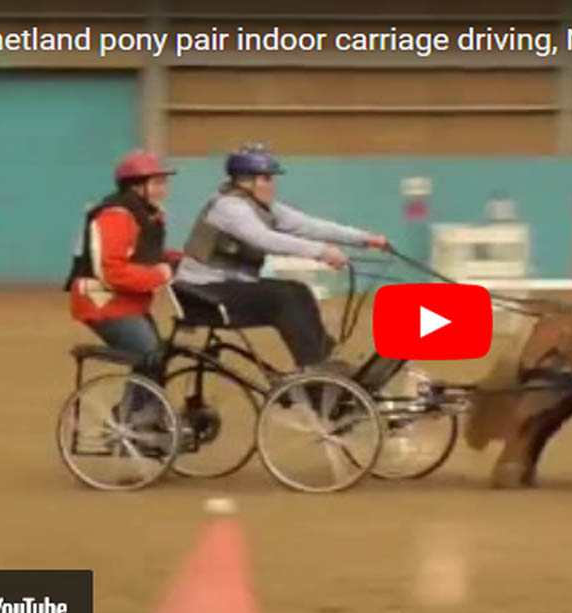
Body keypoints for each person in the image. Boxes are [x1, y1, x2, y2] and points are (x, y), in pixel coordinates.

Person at [173, 142, 387, 373]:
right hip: (201, 293)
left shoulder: (263, 208)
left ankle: (324, 360)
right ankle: (314, 369)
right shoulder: (229, 208)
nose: (272, 186)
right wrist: (322, 252)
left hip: (227, 287)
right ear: (246, 180)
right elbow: (265, 239)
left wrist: (365, 238)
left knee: (298, 291)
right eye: (267, 179)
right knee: (285, 296)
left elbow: (309, 226)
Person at [64, 149, 181, 441]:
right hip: (102, 303)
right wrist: (162, 274)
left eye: (163, 183)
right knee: (148, 353)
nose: (163, 190)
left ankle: (146, 414)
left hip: (127, 303)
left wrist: (178, 259)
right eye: (156, 183)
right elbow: (112, 271)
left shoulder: (146, 215)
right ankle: (130, 421)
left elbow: (143, 254)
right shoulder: (115, 216)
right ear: (135, 186)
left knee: (159, 353)